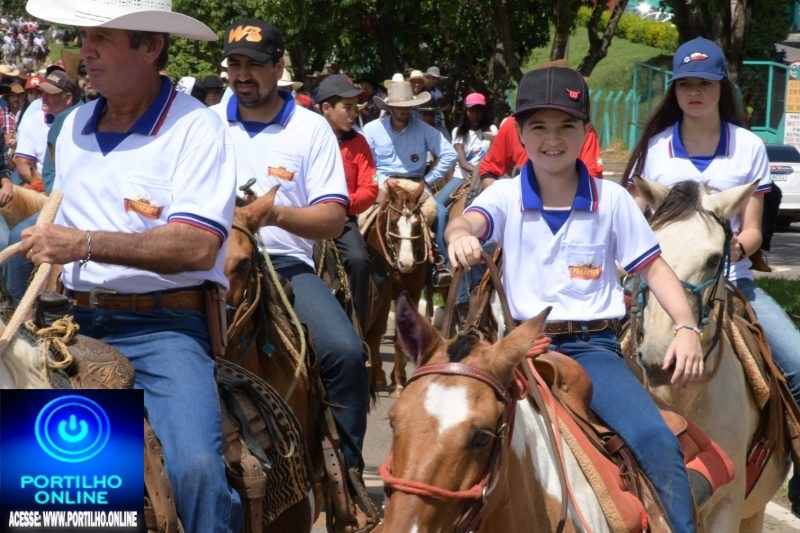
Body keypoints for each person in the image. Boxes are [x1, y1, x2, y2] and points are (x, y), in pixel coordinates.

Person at [446, 66, 702, 533]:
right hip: (518, 351)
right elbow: (468, 222)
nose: (552, 139)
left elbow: (654, 269)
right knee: (447, 437)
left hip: (592, 350)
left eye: (566, 126)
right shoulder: (505, 195)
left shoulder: (613, 199)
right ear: (519, 133)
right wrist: (460, 234)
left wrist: (686, 326)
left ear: (586, 132)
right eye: (538, 127)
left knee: (658, 442)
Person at [21, 1, 242, 531]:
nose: (84, 51)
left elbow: (197, 246)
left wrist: (82, 244)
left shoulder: (197, 128)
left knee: (195, 470)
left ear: (151, 47)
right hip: (69, 324)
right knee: (46, 489)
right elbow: (59, 229)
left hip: (163, 328)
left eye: (102, 38)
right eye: (84, 37)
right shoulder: (73, 125)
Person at [624, 36, 800, 516]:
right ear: (675, 90)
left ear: (722, 87)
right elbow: (633, 215)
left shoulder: (748, 148)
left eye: (704, 83)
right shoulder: (656, 149)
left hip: (731, 282)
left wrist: (733, 249)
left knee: (798, 364)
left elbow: (755, 230)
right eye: (685, 84)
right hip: (656, 286)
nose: (694, 92)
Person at [210, 18, 371, 489]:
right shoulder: (205, 122)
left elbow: (332, 219)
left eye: (255, 65)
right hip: (209, 263)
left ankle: (346, 480)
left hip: (283, 265)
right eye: (235, 64)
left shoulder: (311, 128)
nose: (243, 75)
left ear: (278, 68)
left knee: (344, 353)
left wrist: (275, 215)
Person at [362, 80, 457, 287]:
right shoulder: (372, 129)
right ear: (390, 107)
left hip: (415, 183)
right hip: (384, 183)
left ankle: (439, 265)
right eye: (400, 107)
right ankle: (360, 266)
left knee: (440, 213)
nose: (404, 110)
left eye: (408, 106)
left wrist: (428, 180)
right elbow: (365, 162)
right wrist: (382, 180)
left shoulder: (423, 129)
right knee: (363, 216)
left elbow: (450, 154)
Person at [315, 74, 378, 333]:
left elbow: (370, 188)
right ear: (326, 108)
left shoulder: (358, 142)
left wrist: (341, 204)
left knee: (359, 259)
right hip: (303, 218)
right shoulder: (305, 137)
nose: (354, 114)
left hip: (342, 219)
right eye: (348, 107)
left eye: (355, 108)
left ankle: (357, 327)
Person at [14, 69, 75, 190]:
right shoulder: (31, 123)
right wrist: (46, 187)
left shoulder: (80, 120)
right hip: (44, 190)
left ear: (68, 98)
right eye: (43, 92)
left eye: (50, 94)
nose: (44, 98)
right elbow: (22, 165)